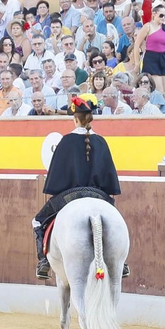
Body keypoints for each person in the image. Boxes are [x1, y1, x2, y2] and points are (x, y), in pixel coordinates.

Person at [34, 94, 125, 280]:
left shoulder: (66, 141)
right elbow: (108, 175)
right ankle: (121, 263)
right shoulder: (101, 141)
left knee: (37, 222)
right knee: (115, 221)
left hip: (69, 195)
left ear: (75, 119)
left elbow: (57, 175)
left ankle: (43, 262)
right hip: (100, 196)